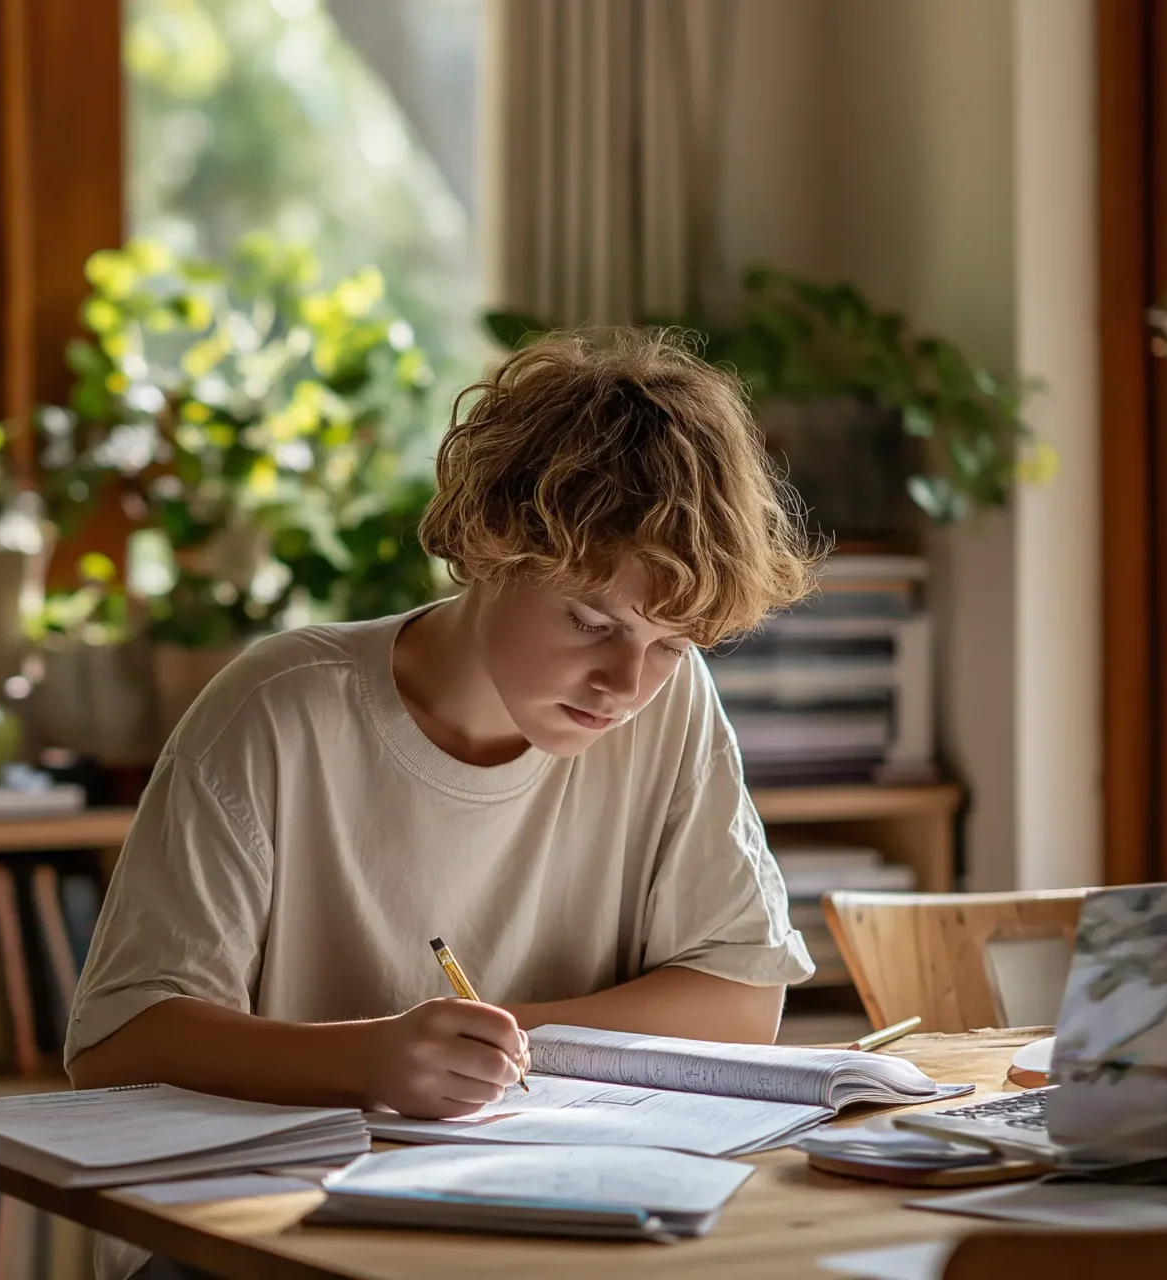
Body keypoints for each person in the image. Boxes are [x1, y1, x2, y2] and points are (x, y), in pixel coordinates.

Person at [64, 327, 824, 1122]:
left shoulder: (672, 702)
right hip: (275, 1214)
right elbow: (118, 1044)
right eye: (590, 623)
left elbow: (741, 1002)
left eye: (669, 643)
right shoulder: (279, 709)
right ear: (487, 547)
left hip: (551, 1195)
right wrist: (368, 1060)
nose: (626, 685)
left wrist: (482, 1047)